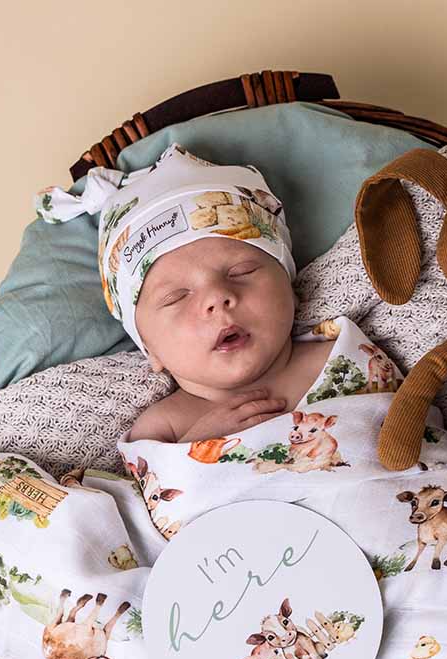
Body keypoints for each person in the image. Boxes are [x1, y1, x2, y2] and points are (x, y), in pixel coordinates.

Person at [34, 142, 334, 444]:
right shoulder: (164, 429)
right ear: (150, 349)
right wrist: (197, 447)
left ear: (290, 288)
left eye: (241, 272)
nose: (216, 297)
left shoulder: (339, 350)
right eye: (176, 297)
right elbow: (151, 477)